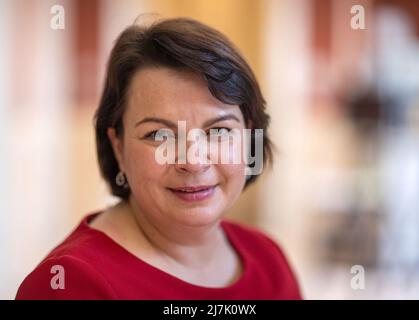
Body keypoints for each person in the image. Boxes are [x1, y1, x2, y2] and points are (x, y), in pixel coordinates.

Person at [16, 18, 302, 299]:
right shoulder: (69, 284)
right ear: (118, 147)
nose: (193, 161)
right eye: (159, 135)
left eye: (219, 131)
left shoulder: (269, 261)